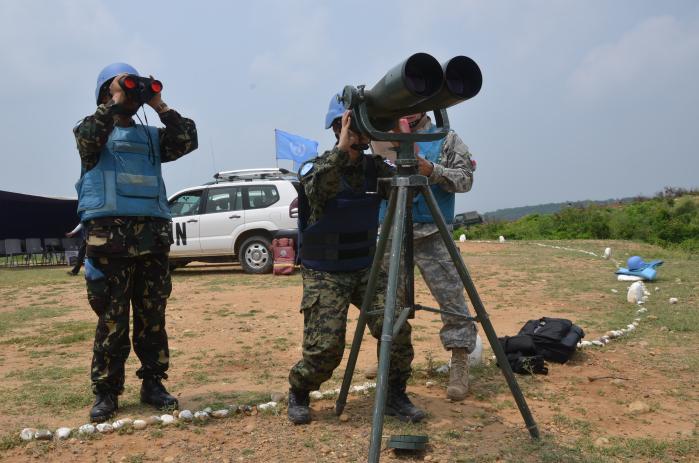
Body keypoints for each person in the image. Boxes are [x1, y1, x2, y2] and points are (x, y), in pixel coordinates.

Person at [286, 95, 429, 425]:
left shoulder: (374, 169)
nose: (362, 133)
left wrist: (402, 142)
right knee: (326, 349)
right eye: (354, 124)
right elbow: (318, 188)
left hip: (365, 266)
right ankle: (299, 390)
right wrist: (342, 146)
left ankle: (394, 394)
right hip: (325, 273)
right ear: (339, 126)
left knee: (396, 330)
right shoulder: (315, 167)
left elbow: (409, 190)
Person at [73, 62, 198, 422]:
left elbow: (188, 139)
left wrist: (159, 104)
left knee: (152, 318)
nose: (129, 96)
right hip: (109, 243)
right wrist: (112, 101)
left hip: (151, 242)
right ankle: (106, 392)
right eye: (122, 89)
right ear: (106, 94)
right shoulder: (93, 134)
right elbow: (87, 136)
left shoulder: (152, 137)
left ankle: (153, 383)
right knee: (112, 321)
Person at [372, 112, 479, 401]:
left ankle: (459, 360)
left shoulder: (446, 139)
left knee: (452, 300)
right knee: (387, 301)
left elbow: (465, 179)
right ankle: (388, 358)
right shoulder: (380, 139)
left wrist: (433, 170)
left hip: (433, 232)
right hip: (394, 230)